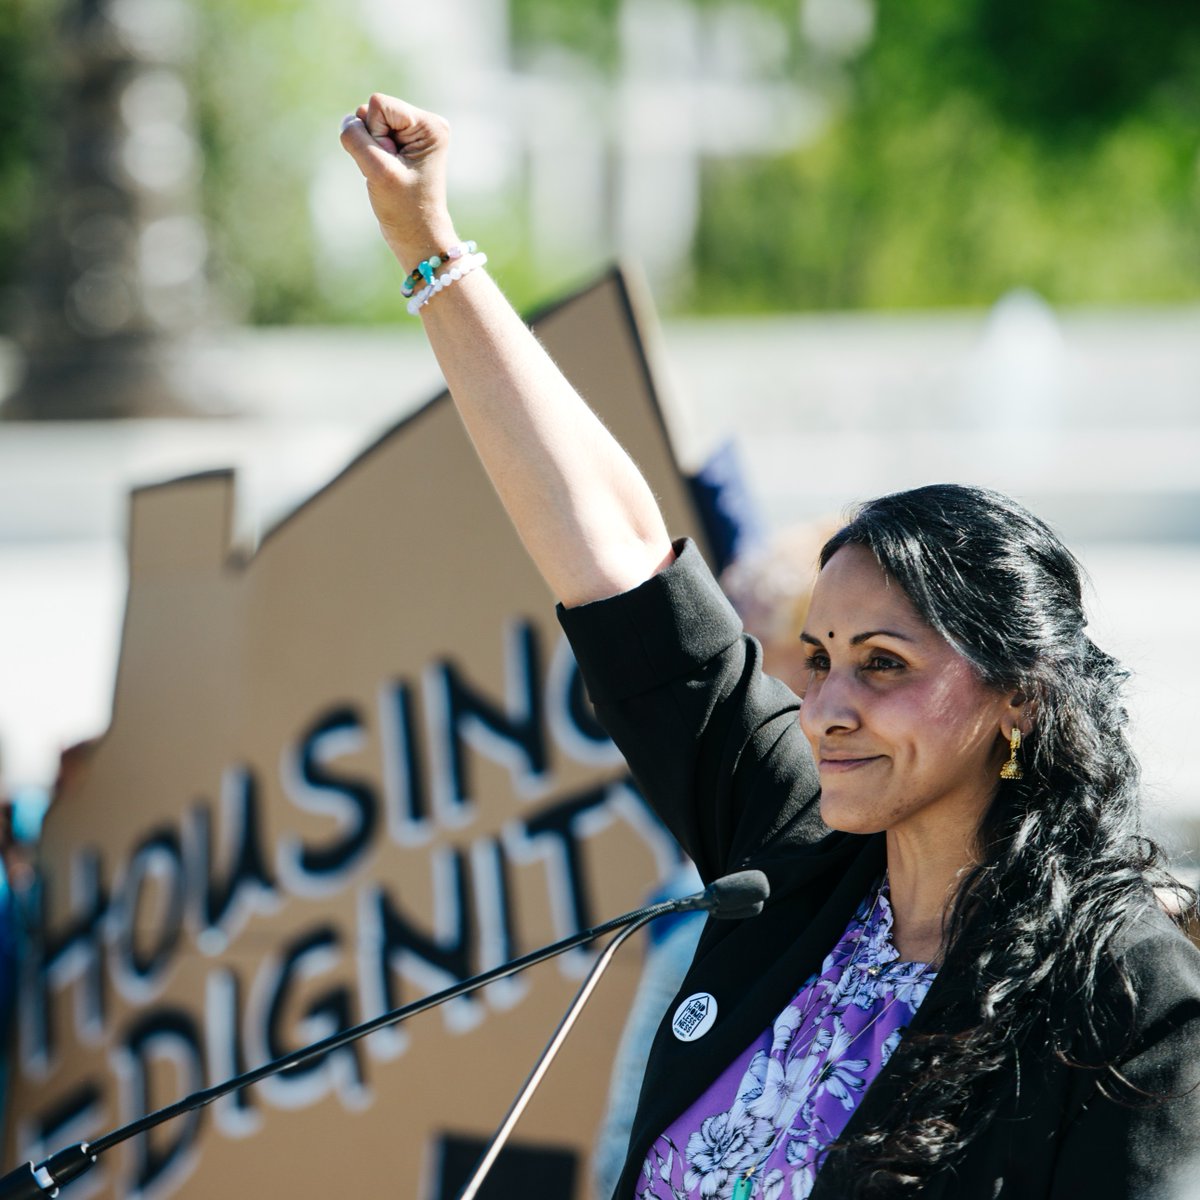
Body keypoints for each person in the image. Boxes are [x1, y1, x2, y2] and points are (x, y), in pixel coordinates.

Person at [340, 95, 1200, 1199]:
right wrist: (430, 249)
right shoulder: (790, 862)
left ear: (1019, 697)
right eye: (817, 656)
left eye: (884, 665)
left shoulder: (1126, 995)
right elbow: (619, 559)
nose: (828, 704)